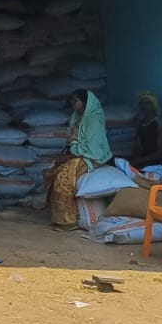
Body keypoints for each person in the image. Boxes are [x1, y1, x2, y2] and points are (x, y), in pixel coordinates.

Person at [46, 88, 113, 229]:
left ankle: (67, 220)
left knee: (64, 175)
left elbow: (92, 149)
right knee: (52, 169)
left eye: (76, 101)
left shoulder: (93, 119)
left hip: (92, 158)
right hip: (77, 154)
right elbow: (72, 140)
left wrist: (68, 157)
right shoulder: (76, 117)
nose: (73, 103)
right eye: (72, 101)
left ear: (85, 102)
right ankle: (57, 215)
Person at [131, 91, 162, 169]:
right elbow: (137, 146)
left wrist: (139, 161)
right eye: (141, 103)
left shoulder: (161, 125)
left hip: (156, 164)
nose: (143, 106)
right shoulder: (141, 123)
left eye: (147, 103)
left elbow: (161, 153)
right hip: (141, 162)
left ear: (154, 105)